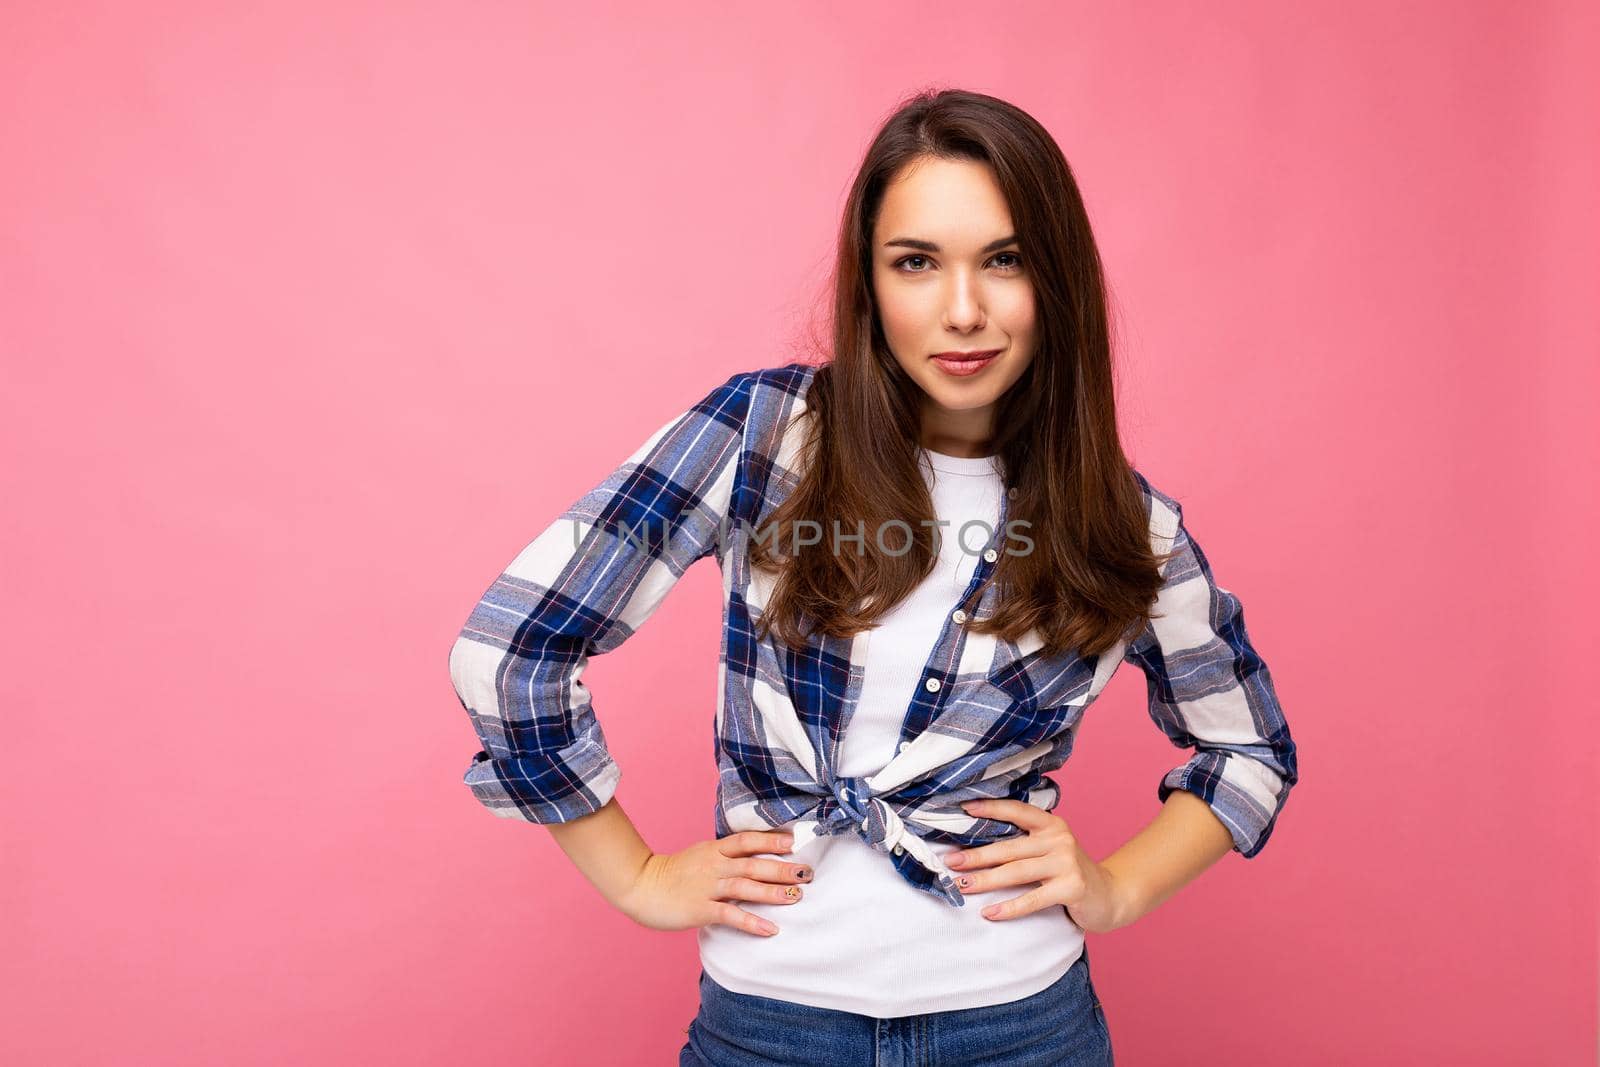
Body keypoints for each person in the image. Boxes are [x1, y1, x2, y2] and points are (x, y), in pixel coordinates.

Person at [447, 88, 1298, 1067]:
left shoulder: (1124, 521)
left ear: (1055, 279)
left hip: (1021, 1024)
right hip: (769, 1023)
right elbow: (510, 648)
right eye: (916, 263)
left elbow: (1247, 750)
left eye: (1004, 259)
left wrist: (1118, 886)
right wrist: (636, 876)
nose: (963, 309)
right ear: (870, 280)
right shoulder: (767, 436)